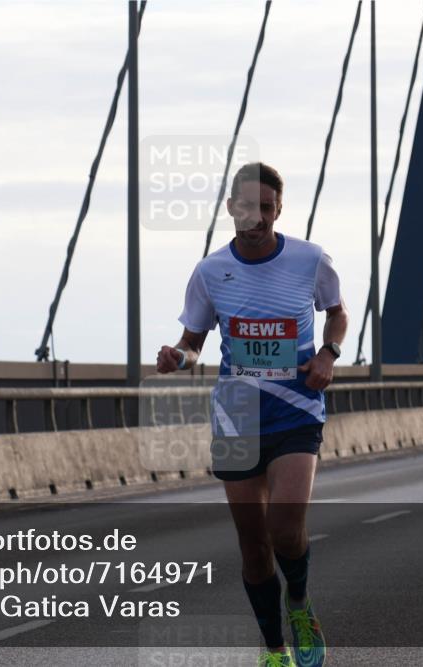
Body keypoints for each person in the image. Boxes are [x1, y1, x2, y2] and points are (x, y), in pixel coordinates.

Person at [156, 162, 347, 667]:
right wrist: (179, 358)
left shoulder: (310, 259)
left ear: (279, 209)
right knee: (254, 544)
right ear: (231, 209)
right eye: (249, 207)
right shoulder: (209, 271)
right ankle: (274, 650)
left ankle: (300, 604)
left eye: (268, 207)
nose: (258, 216)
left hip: (296, 407)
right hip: (237, 412)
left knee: (286, 527)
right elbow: (194, 342)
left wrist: (328, 354)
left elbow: (339, 311)